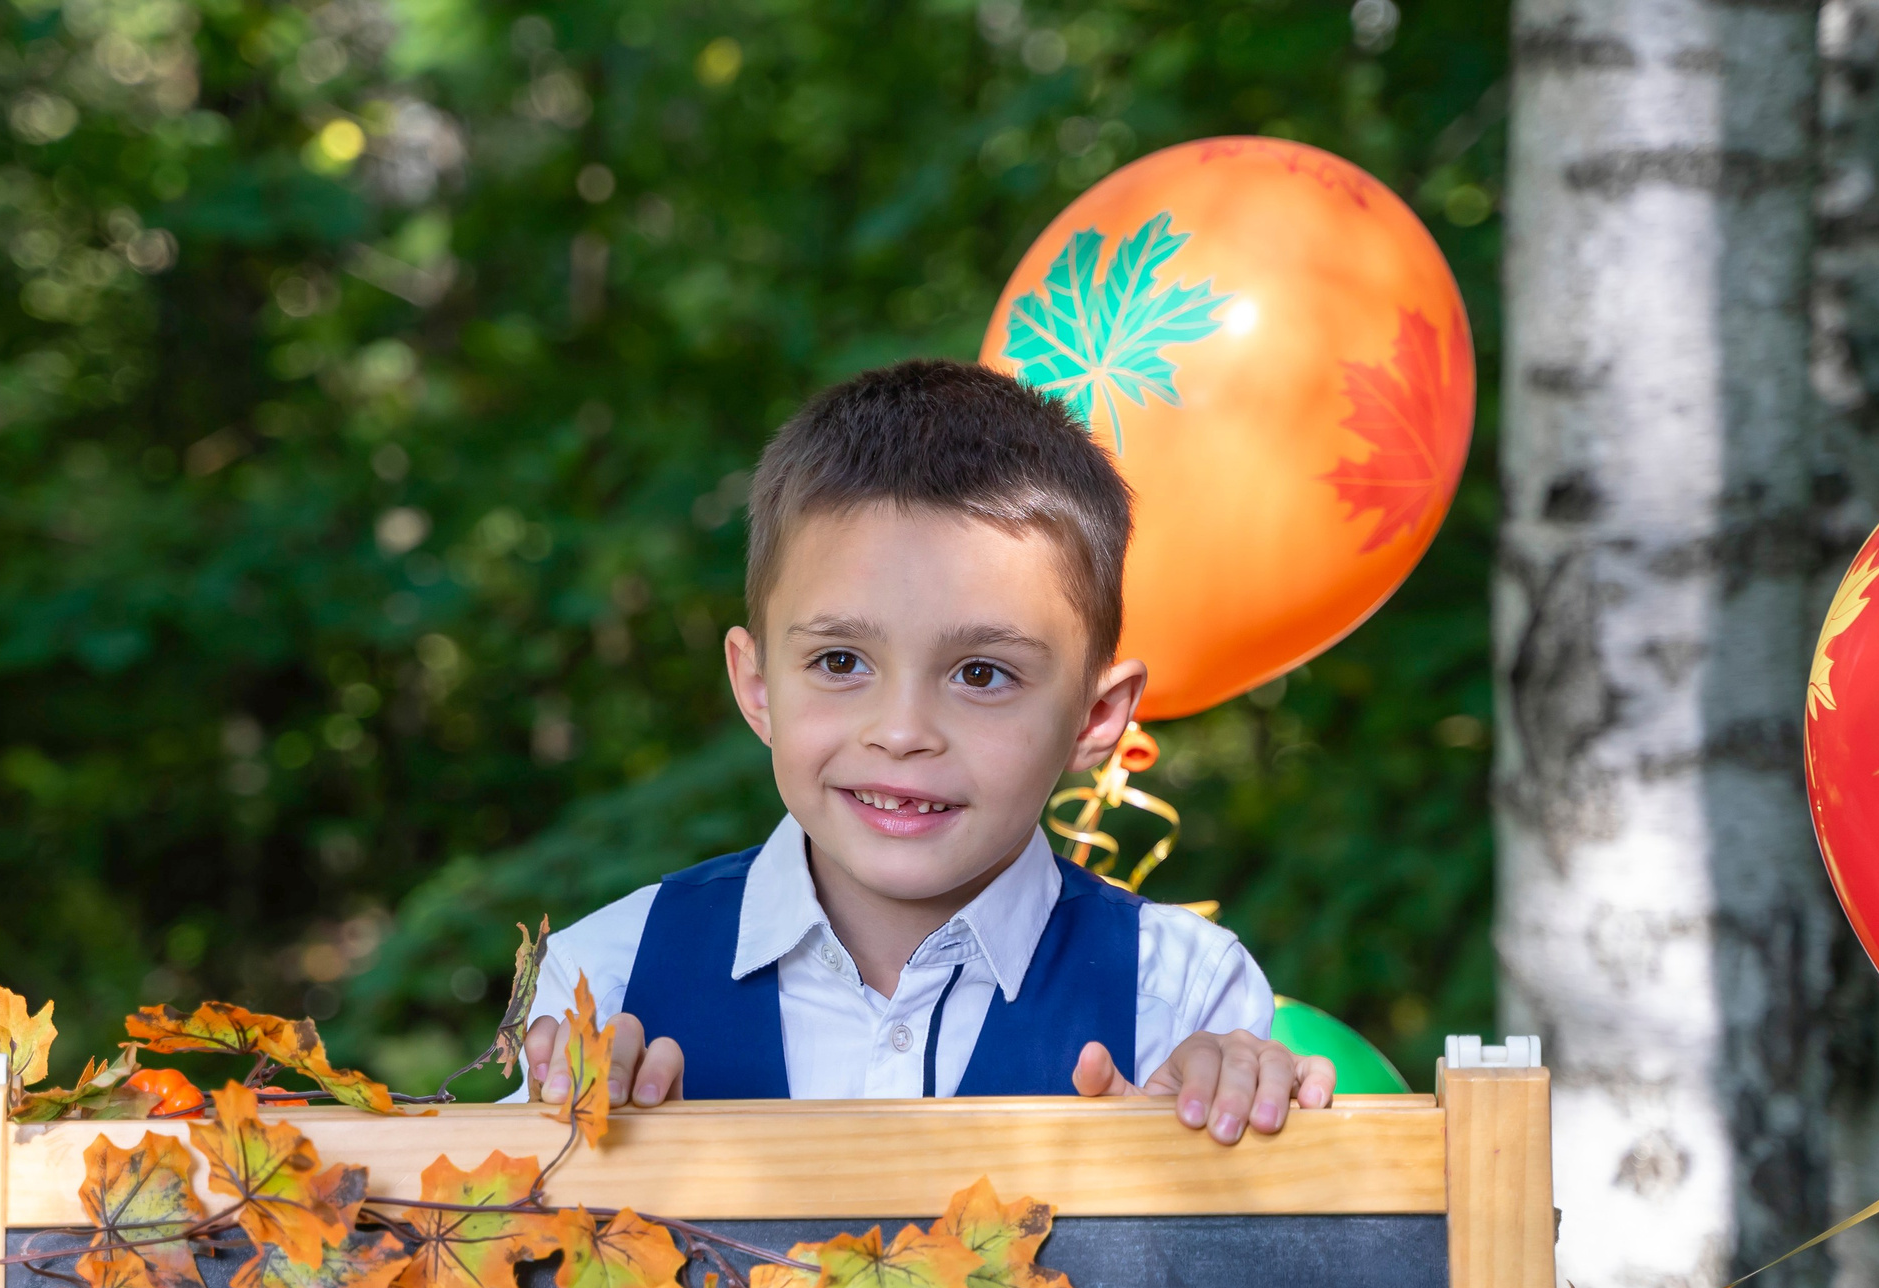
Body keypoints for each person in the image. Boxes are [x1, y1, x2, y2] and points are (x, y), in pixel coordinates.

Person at [516, 359, 1332, 1141]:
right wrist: (584, 1156)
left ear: (1095, 716)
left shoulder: (1179, 996)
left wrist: (1191, 1159)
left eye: (982, 673)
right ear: (757, 684)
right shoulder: (601, 982)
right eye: (841, 662)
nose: (903, 731)